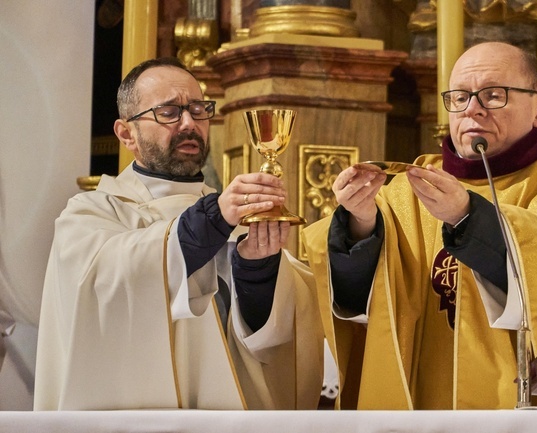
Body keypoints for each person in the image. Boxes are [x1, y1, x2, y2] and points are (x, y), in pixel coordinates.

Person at [302, 42, 537, 409]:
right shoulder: (404, 190)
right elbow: (356, 303)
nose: (472, 109)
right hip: (420, 411)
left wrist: (470, 218)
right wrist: (360, 225)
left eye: (493, 96)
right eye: (460, 97)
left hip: (521, 414)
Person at [34, 57, 323, 410]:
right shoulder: (91, 214)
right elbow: (105, 288)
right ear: (127, 134)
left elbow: (277, 337)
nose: (189, 123)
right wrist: (212, 220)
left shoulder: (231, 220)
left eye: (199, 110)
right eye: (168, 112)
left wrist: (256, 270)